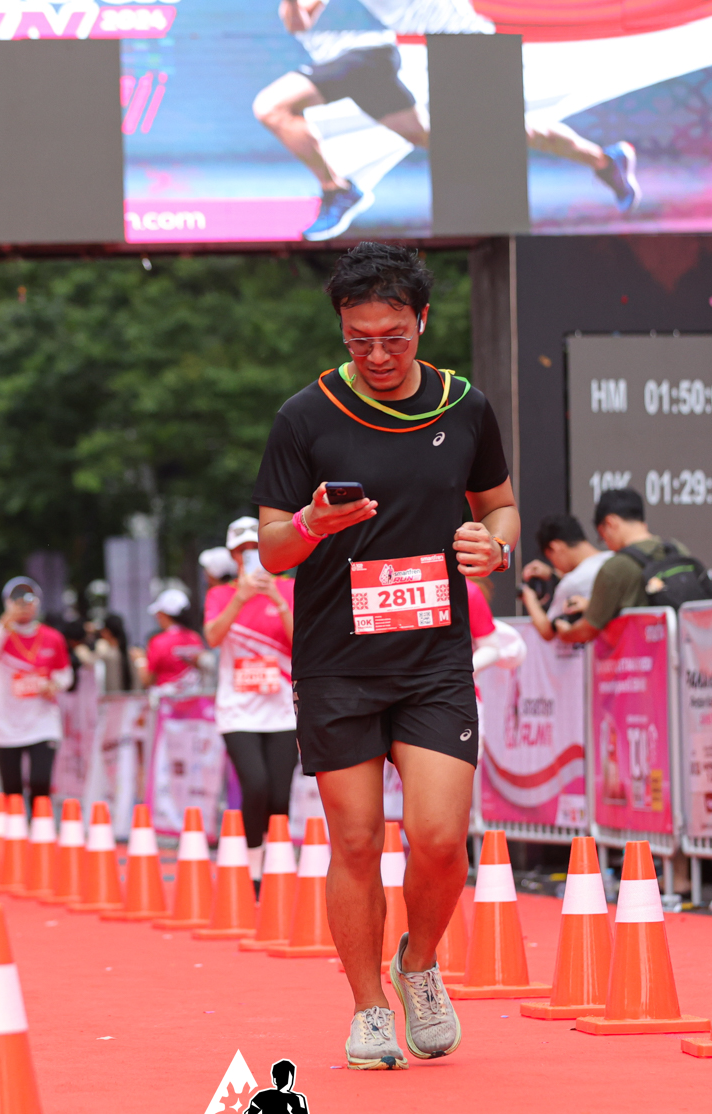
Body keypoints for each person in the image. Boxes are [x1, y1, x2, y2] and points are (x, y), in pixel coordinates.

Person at [253, 242, 518, 1070]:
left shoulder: (465, 407)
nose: (376, 355)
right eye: (359, 339)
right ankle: (369, 1007)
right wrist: (311, 525)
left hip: (434, 658)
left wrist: (494, 545)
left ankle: (420, 964)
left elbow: (501, 507)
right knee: (358, 840)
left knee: (440, 838)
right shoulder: (305, 417)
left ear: (423, 321)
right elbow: (271, 549)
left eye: (393, 338)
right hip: (337, 660)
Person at [255, 0, 641, 242]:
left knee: (510, 131)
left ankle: (604, 160)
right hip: (430, 52)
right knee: (439, 137)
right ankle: (604, 159)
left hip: (471, 45)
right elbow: (298, 22)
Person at [205, 516, 300, 866]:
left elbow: (301, 643)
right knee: (256, 784)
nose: (249, 555)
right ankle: (254, 864)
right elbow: (212, 637)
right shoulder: (220, 594)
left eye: (256, 548)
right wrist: (240, 599)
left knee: (279, 794)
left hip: (282, 710)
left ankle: (277, 862)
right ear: (232, 555)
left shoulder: (289, 588)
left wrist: (276, 598)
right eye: (242, 549)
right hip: (238, 710)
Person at [550, 486, 700, 644]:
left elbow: (588, 629)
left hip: (642, 654)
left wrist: (566, 633)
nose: (607, 544)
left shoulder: (615, 567)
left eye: (602, 537)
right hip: (685, 649)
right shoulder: (677, 550)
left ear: (610, 523)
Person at [0, 577, 75, 810]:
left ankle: (39, 827)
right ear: (7, 603)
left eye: (29, 599)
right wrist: (5, 623)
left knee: (40, 782)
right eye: (17, 600)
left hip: (42, 721)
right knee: (11, 790)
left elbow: (66, 675)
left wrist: (55, 685)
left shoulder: (52, 637)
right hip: (5, 724)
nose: (24, 605)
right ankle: (16, 829)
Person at [517, 512, 611, 642]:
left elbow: (547, 631)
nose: (555, 565)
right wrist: (552, 575)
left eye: (551, 558)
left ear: (555, 547)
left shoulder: (572, 582)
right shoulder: (614, 559)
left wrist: (528, 597)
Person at [144, 588, 205, 693]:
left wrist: (139, 661)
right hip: (193, 699)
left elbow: (148, 679)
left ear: (165, 614)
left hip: (166, 700)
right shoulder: (195, 638)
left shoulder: (158, 642)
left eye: (159, 613)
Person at [92, 613, 141, 694]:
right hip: (130, 699)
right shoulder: (132, 652)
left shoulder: (107, 654)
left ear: (107, 631)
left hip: (112, 698)